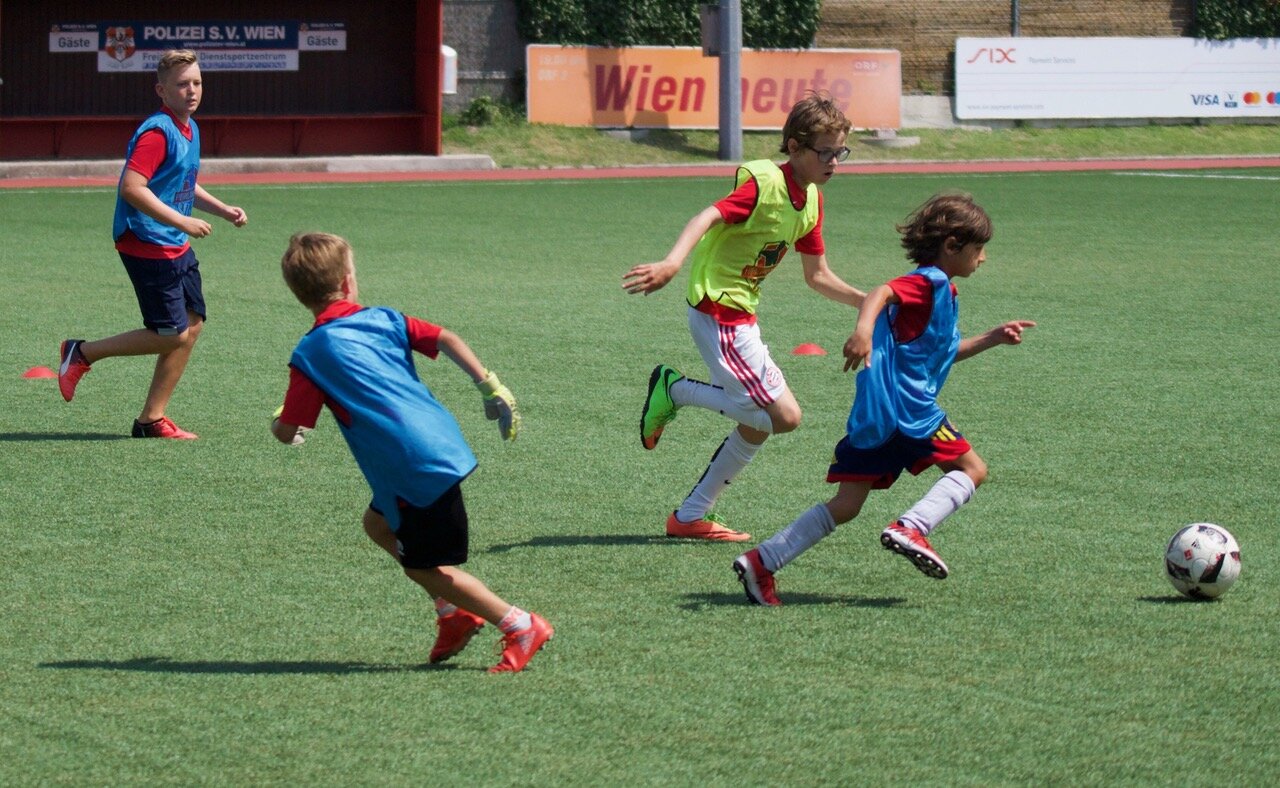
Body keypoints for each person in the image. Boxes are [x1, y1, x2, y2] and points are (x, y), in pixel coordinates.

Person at [733, 193, 1035, 605]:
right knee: (972, 469)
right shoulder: (930, 281)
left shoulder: (944, 295)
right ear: (952, 246)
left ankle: (761, 562)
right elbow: (881, 292)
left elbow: (943, 354)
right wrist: (862, 330)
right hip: (910, 413)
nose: (982, 259)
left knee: (846, 505)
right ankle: (913, 526)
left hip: (876, 418)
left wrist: (992, 339)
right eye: (979, 249)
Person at [272, 232, 553, 673]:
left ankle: (519, 624)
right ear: (348, 282)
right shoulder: (383, 319)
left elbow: (289, 431)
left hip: (410, 468)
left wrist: (281, 418)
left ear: (298, 294)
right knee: (377, 525)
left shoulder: (308, 354)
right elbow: (446, 337)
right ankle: (453, 613)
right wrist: (490, 387)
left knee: (425, 567)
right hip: (437, 446)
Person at [622, 92, 866, 542]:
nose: (835, 161)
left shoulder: (810, 200)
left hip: (741, 317)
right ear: (793, 147)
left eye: (841, 152)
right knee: (784, 417)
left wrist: (868, 302)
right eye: (826, 152)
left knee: (759, 424)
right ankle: (674, 390)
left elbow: (818, 276)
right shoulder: (765, 184)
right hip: (720, 313)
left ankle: (690, 516)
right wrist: (673, 262)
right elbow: (708, 215)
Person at [57, 49, 248, 439]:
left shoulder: (189, 128)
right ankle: (82, 352)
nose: (191, 90)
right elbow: (132, 188)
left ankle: (151, 420)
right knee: (171, 333)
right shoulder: (157, 131)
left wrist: (221, 209)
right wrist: (182, 220)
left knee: (191, 326)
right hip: (145, 242)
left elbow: (181, 182)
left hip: (173, 242)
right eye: (182, 84)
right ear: (162, 90)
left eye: (196, 82)